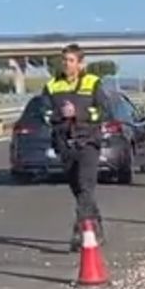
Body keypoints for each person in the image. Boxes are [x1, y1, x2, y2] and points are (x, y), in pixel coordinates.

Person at [42, 44, 108, 250]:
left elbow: (103, 111)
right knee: (78, 189)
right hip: (65, 144)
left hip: (88, 141)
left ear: (80, 64)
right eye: (64, 60)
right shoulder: (52, 86)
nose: (66, 64)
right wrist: (60, 115)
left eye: (71, 60)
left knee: (86, 186)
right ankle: (97, 226)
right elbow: (44, 113)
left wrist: (79, 113)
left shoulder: (93, 83)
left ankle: (81, 232)